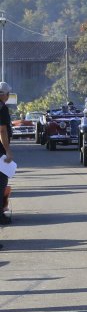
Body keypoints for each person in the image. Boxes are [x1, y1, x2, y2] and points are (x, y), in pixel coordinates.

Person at [0, 80, 13, 229]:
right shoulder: (2, 108)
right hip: (0, 152)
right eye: (7, 93)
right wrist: (7, 150)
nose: (8, 96)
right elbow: (2, 130)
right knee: (1, 183)